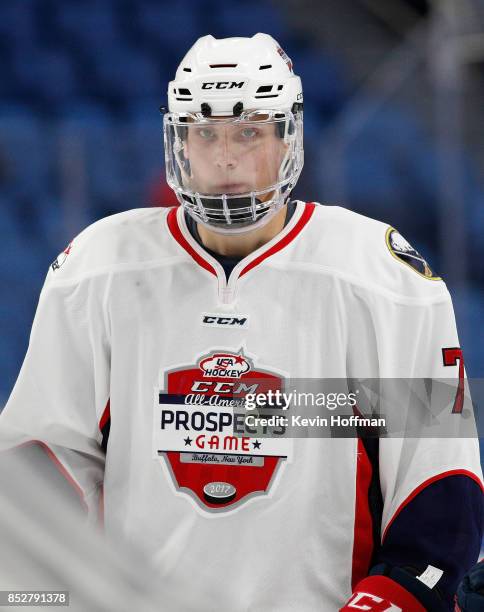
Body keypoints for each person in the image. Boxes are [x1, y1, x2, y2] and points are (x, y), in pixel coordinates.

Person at [0, 33, 482, 611]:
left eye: (249, 132)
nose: (225, 157)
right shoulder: (97, 270)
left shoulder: (385, 279)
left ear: (287, 138)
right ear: (180, 141)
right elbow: (40, 465)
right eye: (206, 134)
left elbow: (440, 492)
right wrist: (45, 599)